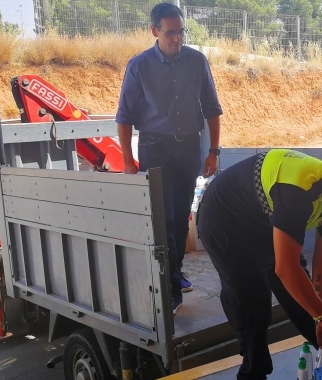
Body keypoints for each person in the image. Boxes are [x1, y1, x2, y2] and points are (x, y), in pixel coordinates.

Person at [197, 147, 322, 380]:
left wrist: (321, 314)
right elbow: (285, 269)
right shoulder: (299, 191)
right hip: (224, 219)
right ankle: (253, 372)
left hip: (263, 219)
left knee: (307, 300)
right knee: (252, 303)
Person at [116, 3, 223, 314]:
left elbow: (212, 110)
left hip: (189, 147)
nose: (177, 38)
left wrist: (213, 151)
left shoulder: (197, 61)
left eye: (181, 32)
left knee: (180, 216)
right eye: (170, 32)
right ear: (155, 31)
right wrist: (127, 158)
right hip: (155, 148)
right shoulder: (139, 66)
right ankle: (171, 288)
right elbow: (124, 116)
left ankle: (175, 271)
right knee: (164, 219)